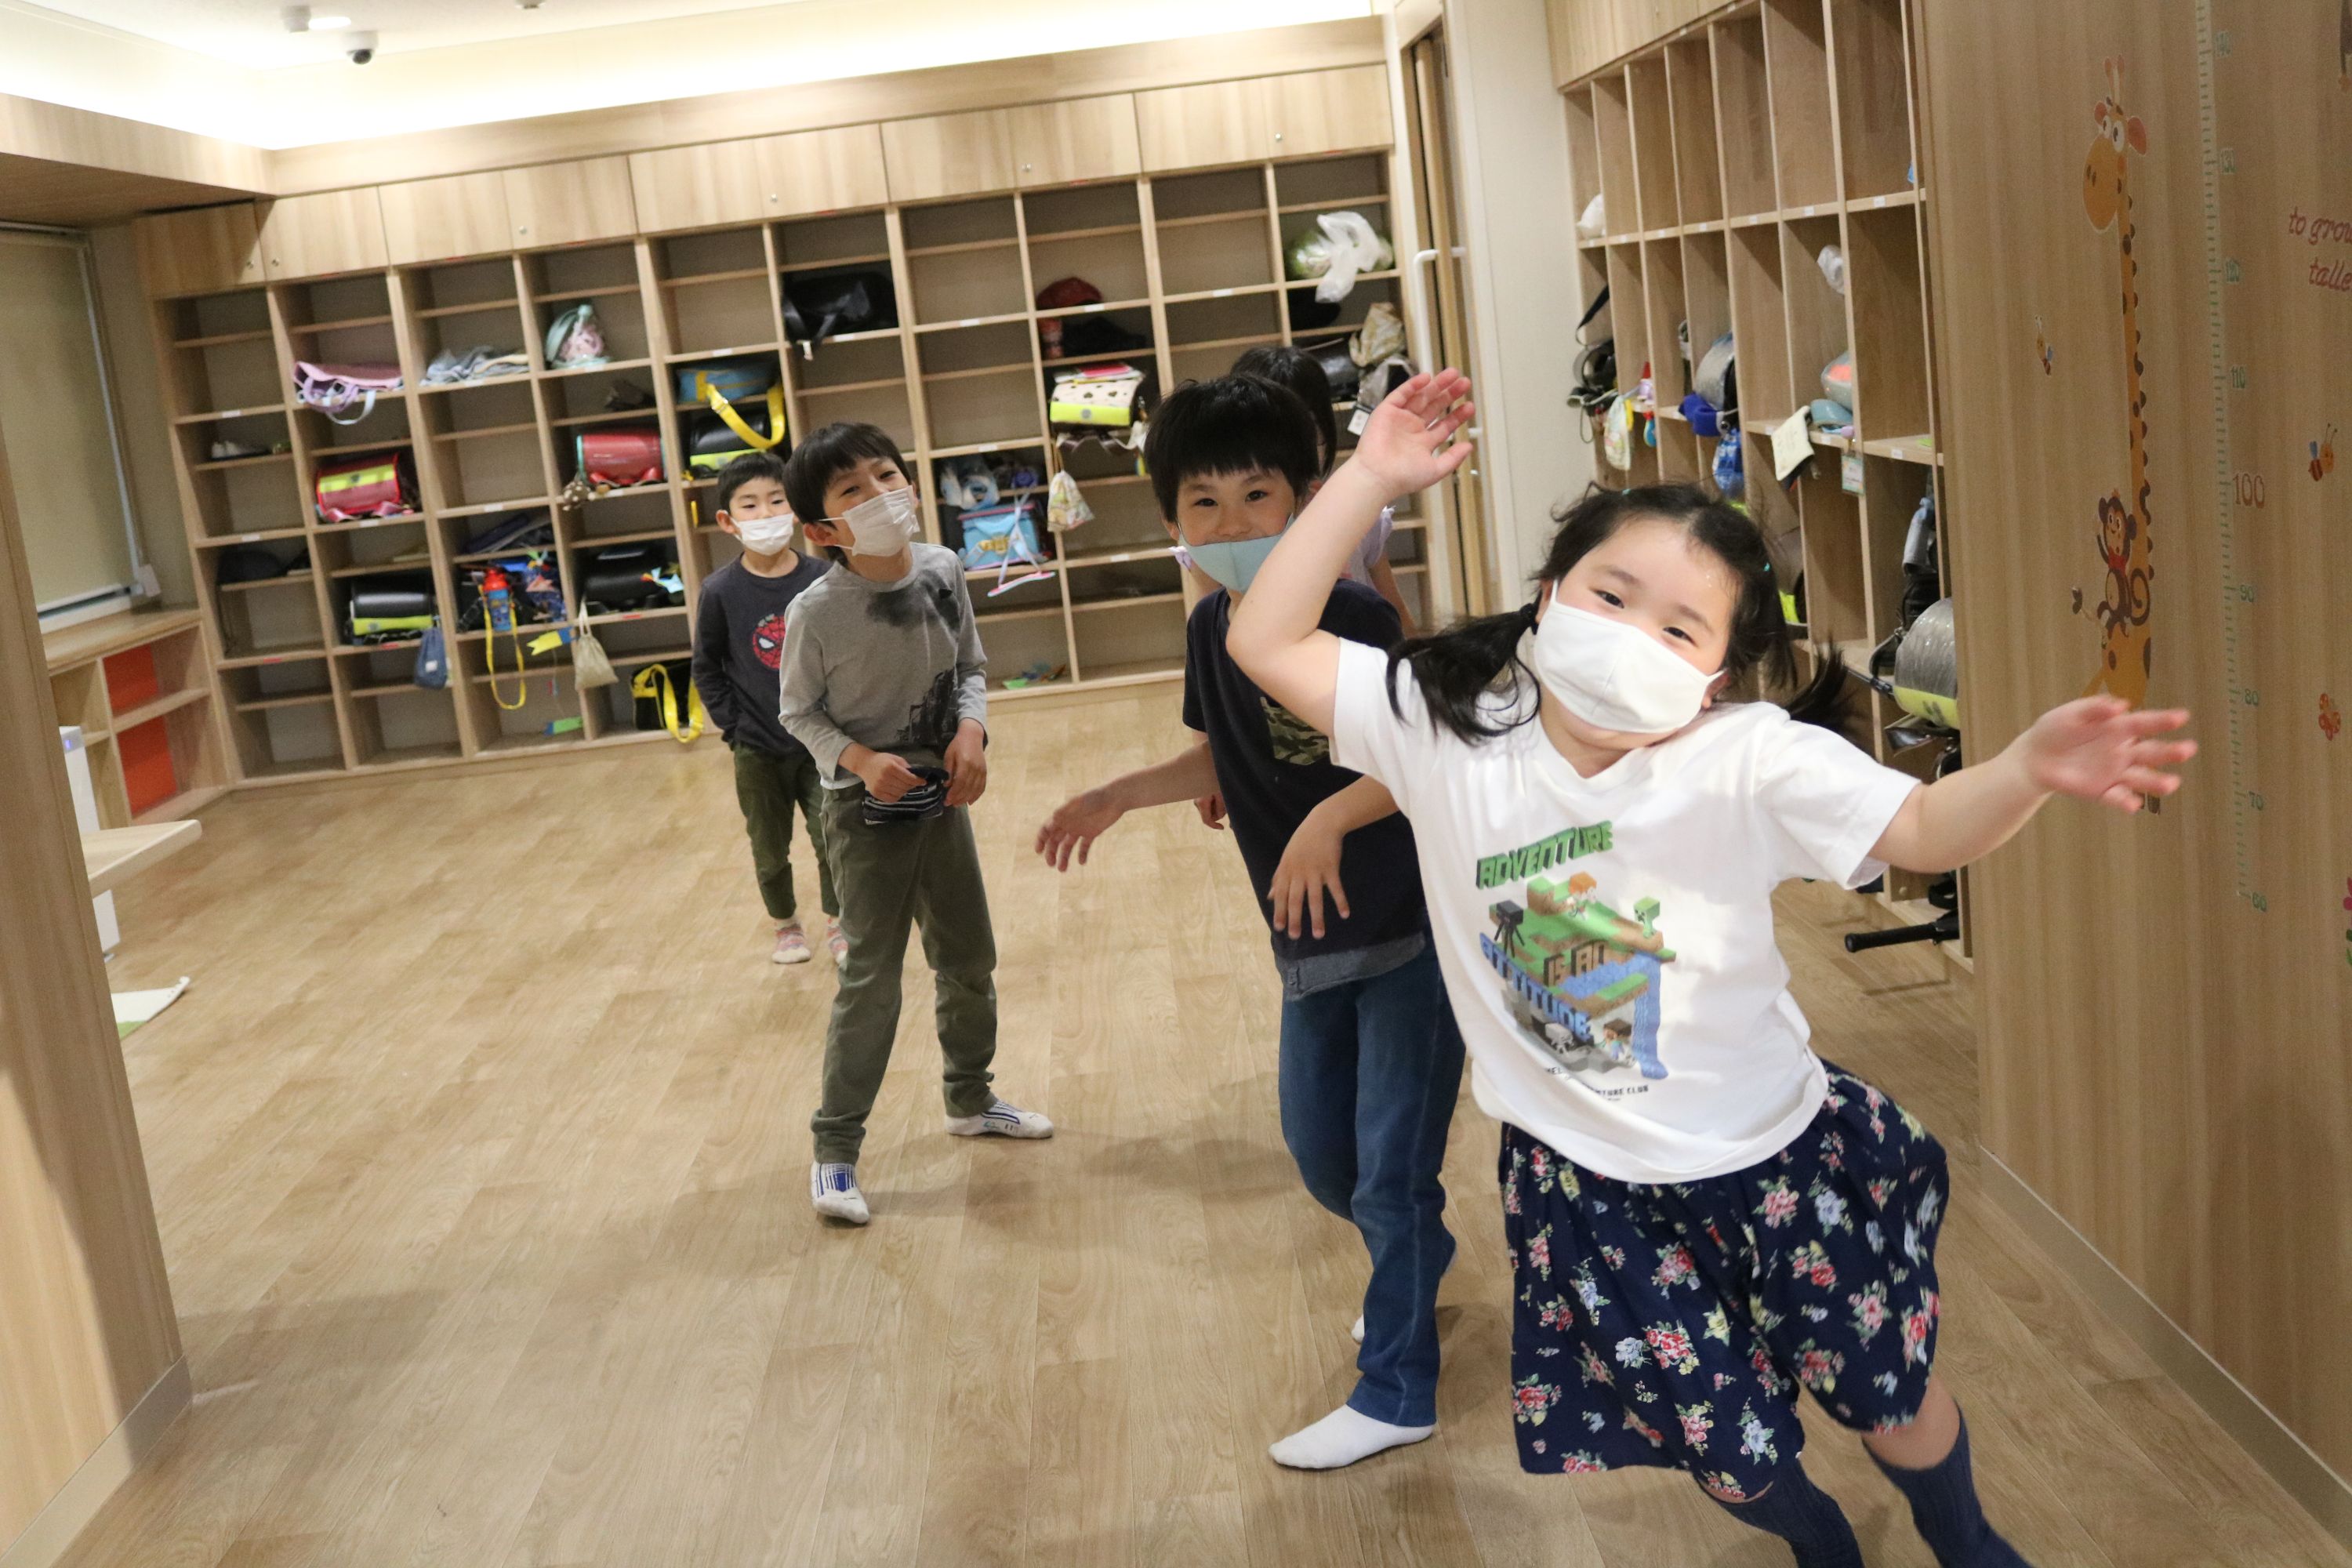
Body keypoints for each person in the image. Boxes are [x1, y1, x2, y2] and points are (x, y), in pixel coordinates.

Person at [1226, 370, 2195, 1566]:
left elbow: (1923, 830)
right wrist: (1369, 476)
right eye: (1610, 594)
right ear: (1548, 597)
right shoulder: (1446, 726)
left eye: (1680, 628)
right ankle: (1823, 1545)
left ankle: (1965, 1538)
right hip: (1588, 1189)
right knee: (1728, 1453)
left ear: (1716, 676)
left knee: (1888, 1397)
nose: (1633, 634)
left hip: (1780, 1157)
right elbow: (1264, 638)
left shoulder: (1749, 757)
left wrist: (2024, 772)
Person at [1034, 376, 1465, 1471]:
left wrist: (1331, 815)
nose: (1232, 524)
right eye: (1204, 505)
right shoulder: (1211, 628)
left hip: (1410, 936)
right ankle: (1412, 1260)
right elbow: (1229, 756)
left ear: (1309, 500)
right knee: (1325, 1161)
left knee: (1388, 1174)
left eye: (1257, 496)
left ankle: (1398, 1386)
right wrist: (1121, 794)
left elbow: (1430, 757)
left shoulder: (1354, 618)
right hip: (1310, 945)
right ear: (1172, 522)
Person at [779, 422, 1052, 1227]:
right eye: (852, 490)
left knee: (969, 956)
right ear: (823, 530)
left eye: (886, 475)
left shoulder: (941, 568)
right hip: (862, 813)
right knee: (871, 979)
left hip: (942, 796)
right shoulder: (816, 611)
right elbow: (799, 713)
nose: (879, 495)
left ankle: (971, 1098)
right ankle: (835, 1149)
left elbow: (969, 665)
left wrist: (972, 732)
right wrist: (862, 759)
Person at [691, 451, 843, 966]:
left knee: (832, 837)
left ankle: (839, 921)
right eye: (750, 505)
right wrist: (735, 727)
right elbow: (707, 666)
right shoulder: (720, 591)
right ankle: (786, 925)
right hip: (756, 747)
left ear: (795, 508)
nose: (766, 513)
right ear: (727, 521)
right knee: (768, 847)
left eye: (777, 501)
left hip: (822, 743)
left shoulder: (824, 578)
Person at [1169, 348, 1417, 634]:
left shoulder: (1360, 515)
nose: (1293, 450)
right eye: (1270, 435)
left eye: (1307, 430)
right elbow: (1212, 630)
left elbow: (1396, 611)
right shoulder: (1216, 543)